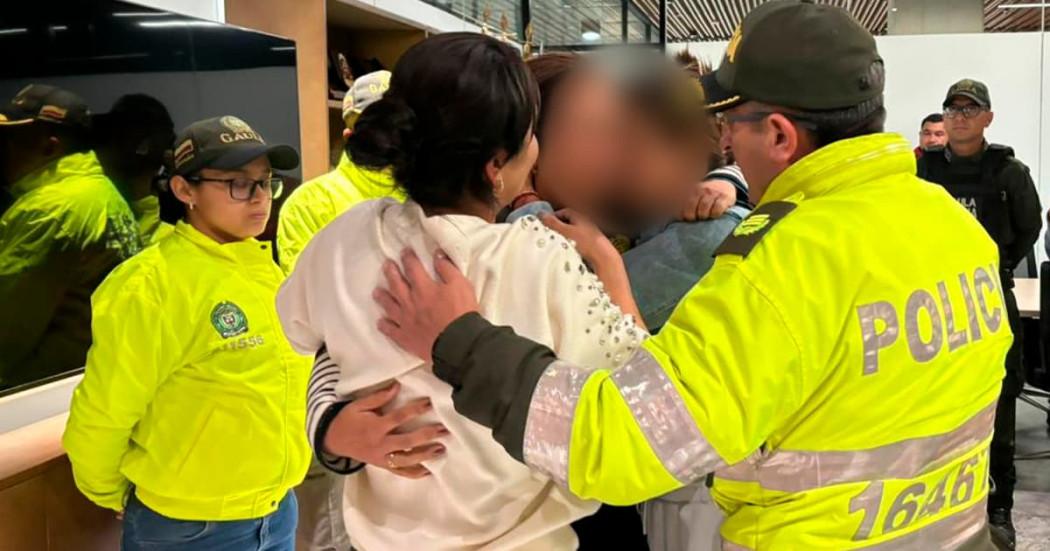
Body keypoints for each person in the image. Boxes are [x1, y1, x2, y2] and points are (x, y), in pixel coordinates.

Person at [372, 2, 1009, 549]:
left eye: (731, 126)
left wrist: (462, 340)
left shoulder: (778, 264)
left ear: (779, 136)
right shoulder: (951, 225)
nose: (719, 145)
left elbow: (622, 442)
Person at [276, 32, 644, 550]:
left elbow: (302, 332)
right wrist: (609, 265)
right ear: (497, 166)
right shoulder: (540, 256)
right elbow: (639, 389)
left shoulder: (347, 236)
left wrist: (330, 421)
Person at [64, 115, 311, 551]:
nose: (259, 197)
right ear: (184, 190)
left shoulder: (266, 273)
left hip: (277, 511)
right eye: (238, 183)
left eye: (265, 182)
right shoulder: (150, 286)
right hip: (189, 528)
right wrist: (114, 492)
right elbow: (103, 412)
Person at [917, 78, 1042, 550]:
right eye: (952, 109)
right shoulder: (923, 171)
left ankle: (999, 509)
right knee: (933, 399)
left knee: (1001, 401)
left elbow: (1029, 226)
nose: (960, 117)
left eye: (971, 110)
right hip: (933, 298)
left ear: (988, 118)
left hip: (990, 293)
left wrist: (998, 263)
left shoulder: (1009, 172)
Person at [0, 84, 141, 391]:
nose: (4, 149)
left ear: (50, 146)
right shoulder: (100, 191)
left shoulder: (51, 210)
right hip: (93, 375)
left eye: (11, 138)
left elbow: (7, 326)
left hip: (40, 389)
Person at [277, 70, 399, 274]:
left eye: (395, 122)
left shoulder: (433, 197)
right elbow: (307, 286)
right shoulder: (307, 204)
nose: (387, 135)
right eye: (372, 126)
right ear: (349, 136)